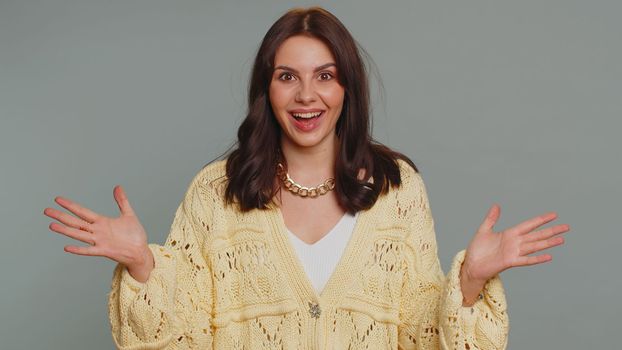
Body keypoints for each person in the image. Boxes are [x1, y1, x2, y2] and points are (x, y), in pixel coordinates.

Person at [43, 7, 570, 350]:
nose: (306, 96)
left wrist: (470, 282)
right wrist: (142, 266)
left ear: (347, 88)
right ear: (266, 90)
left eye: (325, 76)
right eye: (287, 76)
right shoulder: (215, 193)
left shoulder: (397, 189)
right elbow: (182, 339)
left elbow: (418, 333)